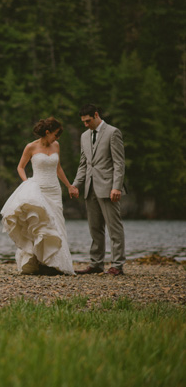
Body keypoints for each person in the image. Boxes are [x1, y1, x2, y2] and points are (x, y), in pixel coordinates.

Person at [1, 117, 77, 275]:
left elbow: (59, 168)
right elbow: (20, 167)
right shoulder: (31, 146)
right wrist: (27, 183)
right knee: (40, 224)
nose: (57, 138)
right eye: (55, 134)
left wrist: (69, 185)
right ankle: (40, 262)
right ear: (47, 132)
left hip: (54, 190)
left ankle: (55, 263)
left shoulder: (56, 145)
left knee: (56, 224)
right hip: (38, 188)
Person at [73, 104, 126, 276]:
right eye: (83, 122)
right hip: (90, 188)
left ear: (96, 115)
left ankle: (117, 265)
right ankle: (96, 264)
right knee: (95, 228)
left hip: (109, 188)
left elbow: (119, 163)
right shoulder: (84, 136)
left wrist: (116, 187)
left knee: (114, 228)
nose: (86, 124)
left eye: (88, 121)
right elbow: (83, 164)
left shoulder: (113, 132)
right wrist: (75, 185)